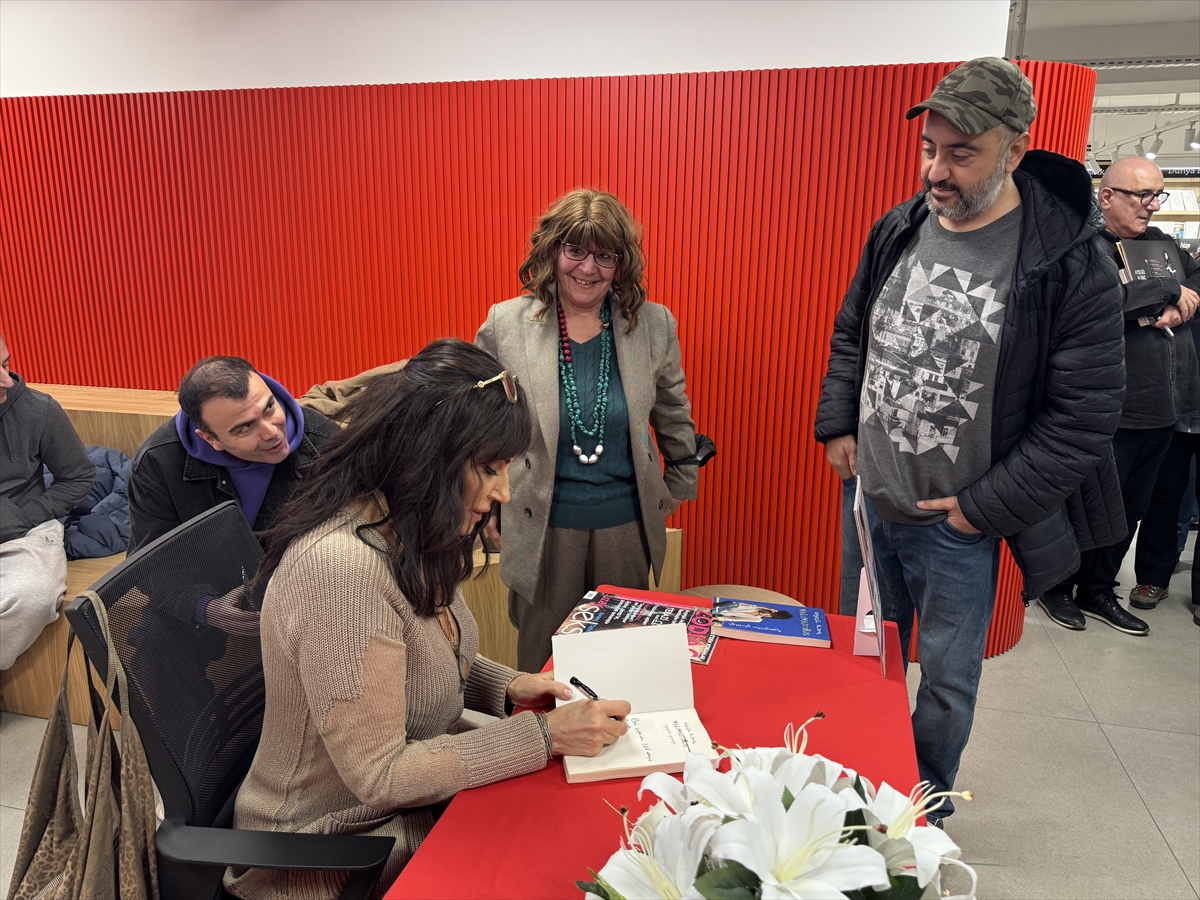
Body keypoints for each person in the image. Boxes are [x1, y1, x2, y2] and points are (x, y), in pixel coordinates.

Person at [814, 58, 1126, 824]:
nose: (936, 171)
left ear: (1015, 149)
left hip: (957, 525)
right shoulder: (900, 226)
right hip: (870, 504)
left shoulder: (1066, 260)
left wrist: (977, 510)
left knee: (947, 683)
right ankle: (861, 784)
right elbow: (853, 332)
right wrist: (840, 423)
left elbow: (1083, 415)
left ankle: (918, 815)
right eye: (930, 148)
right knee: (866, 656)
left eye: (961, 154)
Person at [226, 340, 628, 899]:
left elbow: (420, 655)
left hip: (402, 812)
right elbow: (381, 777)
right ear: (429, 457)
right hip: (329, 851)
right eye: (488, 468)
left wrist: (506, 685)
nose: (504, 490)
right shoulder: (340, 574)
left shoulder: (407, 528)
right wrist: (542, 735)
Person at [476, 188, 699, 672]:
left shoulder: (653, 324)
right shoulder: (506, 323)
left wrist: (680, 483)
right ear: (552, 250)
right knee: (544, 670)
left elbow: (673, 411)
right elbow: (480, 425)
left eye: (604, 255)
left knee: (621, 669)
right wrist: (483, 500)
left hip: (626, 529)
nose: (588, 268)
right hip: (541, 526)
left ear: (621, 263)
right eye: (575, 250)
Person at [1038, 156, 1200, 634]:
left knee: (1131, 508)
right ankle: (1058, 587)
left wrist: (1180, 301)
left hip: (1162, 406)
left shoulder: (1162, 243)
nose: (1152, 206)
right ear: (1106, 196)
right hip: (1103, 407)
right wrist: (1166, 290)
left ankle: (1098, 588)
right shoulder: (1084, 248)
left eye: (1157, 195)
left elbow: (1195, 278)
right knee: (1085, 506)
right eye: (1142, 195)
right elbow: (1102, 304)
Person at [0, 333, 96, 669]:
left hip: (23, 532)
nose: (6, 380)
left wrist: (24, 515)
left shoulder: (39, 410)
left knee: (34, 596)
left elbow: (79, 476)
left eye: (5, 364)